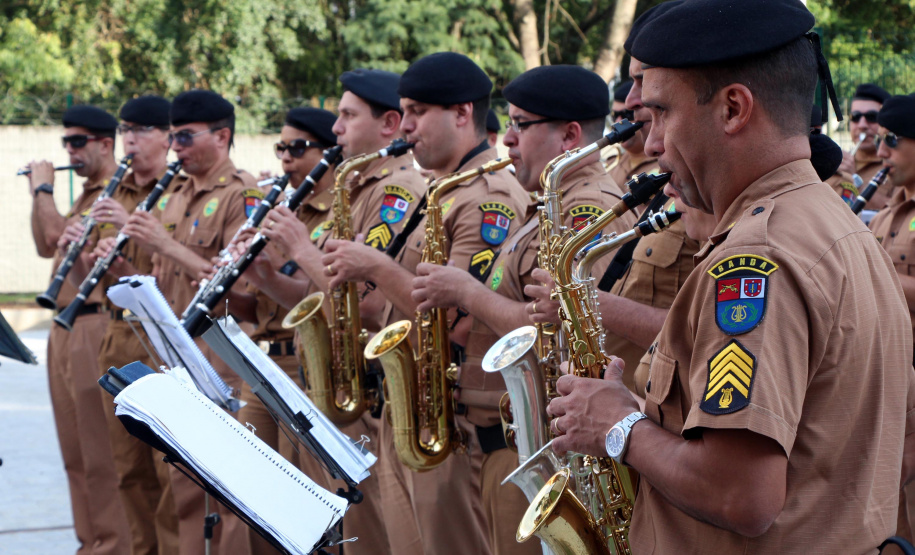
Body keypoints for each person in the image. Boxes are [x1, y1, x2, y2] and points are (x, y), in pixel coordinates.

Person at [545, 2, 914, 553]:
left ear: (734, 108)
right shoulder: (827, 220)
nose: (650, 144)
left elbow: (740, 494)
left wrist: (618, 426)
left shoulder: (756, 257)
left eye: (662, 112)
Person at [410, 64, 636, 554]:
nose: (507, 139)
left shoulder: (586, 210)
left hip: (548, 452)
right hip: (511, 443)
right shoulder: (547, 207)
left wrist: (465, 292)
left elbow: (559, 329)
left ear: (569, 136)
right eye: (509, 124)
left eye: (521, 125)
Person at [321, 52, 529, 555]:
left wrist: (373, 266)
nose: (406, 126)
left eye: (417, 111)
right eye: (403, 111)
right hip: (415, 407)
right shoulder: (443, 191)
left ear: (461, 114)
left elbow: (458, 323)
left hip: (451, 419)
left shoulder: (487, 198)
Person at [255, 69, 427, 555]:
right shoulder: (356, 188)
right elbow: (320, 297)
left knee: (366, 540)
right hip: (331, 385)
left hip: (364, 396)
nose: (336, 129)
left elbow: (368, 303)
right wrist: (265, 275)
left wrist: (299, 246)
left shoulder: (396, 192)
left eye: (347, 116)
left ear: (389, 124)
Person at [122, 89, 258, 555]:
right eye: (173, 137)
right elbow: (169, 273)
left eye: (184, 136)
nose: (175, 147)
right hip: (175, 352)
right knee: (180, 491)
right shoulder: (178, 193)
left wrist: (165, 245)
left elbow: (235, 288)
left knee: (219, 494)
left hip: (216, 361)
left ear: (222, 136)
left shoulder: (242, 193)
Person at [209, 106, 342, 555]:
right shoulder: (285, 210)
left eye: (298, 148)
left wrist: (291, 256)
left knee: (300, 498)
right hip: (260, 362)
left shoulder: (336, 213)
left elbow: (319, 301)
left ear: (329, 151)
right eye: (280, 148)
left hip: (305, 362)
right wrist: (249, 280)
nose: (286, 159)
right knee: (255, 496)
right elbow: (265, 304)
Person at [24, 104, 131, 555]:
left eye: (78, 142)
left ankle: (113, 546)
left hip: (92, 321)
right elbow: (42, 243)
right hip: (65, 326)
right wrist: (41, 195)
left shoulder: (114, 193)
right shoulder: (87, 195)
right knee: (74, 456)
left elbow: (54, 236)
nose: (70, 150)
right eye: (66, 141)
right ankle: (91, 543)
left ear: (106, 144)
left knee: (99, 454)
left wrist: (43, 188)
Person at [88, 95, 180, 555]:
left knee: (169, 468)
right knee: (128, 467)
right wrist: (106, 262)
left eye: (141, 131)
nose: (130, 140)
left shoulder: (179, 189)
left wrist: (132, 225)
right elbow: (123, 274)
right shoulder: (116, 189)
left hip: (161, 337)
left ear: (167, 137)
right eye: (126, 130)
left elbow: (179, 265)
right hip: (119, 333)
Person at [869, 93, 915, 550]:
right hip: (888, 394)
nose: (880, 151)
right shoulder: (886, 213)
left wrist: (874, 275)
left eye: (893, 140)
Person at [840, 83, 895, 211]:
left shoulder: (897, 166)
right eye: (855, 117)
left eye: (871, 117)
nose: (862, 125)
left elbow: (898, 210)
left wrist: (854, 180)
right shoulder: (838, 164)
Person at [606, 80, 661, 186]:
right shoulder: (609, 162)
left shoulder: (668, 166)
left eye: (627, 115)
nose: (618, 122)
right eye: (614, 115)